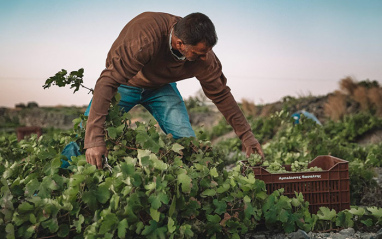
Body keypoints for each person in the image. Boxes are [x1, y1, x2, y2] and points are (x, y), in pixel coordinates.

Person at [84, 11, 264, 169]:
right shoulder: (145, 38)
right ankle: (64, 171)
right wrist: (93, 140)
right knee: (85, 135)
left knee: (188, 143)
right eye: (199, 53)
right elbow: (108, 81)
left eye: (207, 52)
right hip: (127, 83)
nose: (204, 58)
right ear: (180, 44)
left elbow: (222, 95)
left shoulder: (204, 57)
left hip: (161, 87)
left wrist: (247, 136)